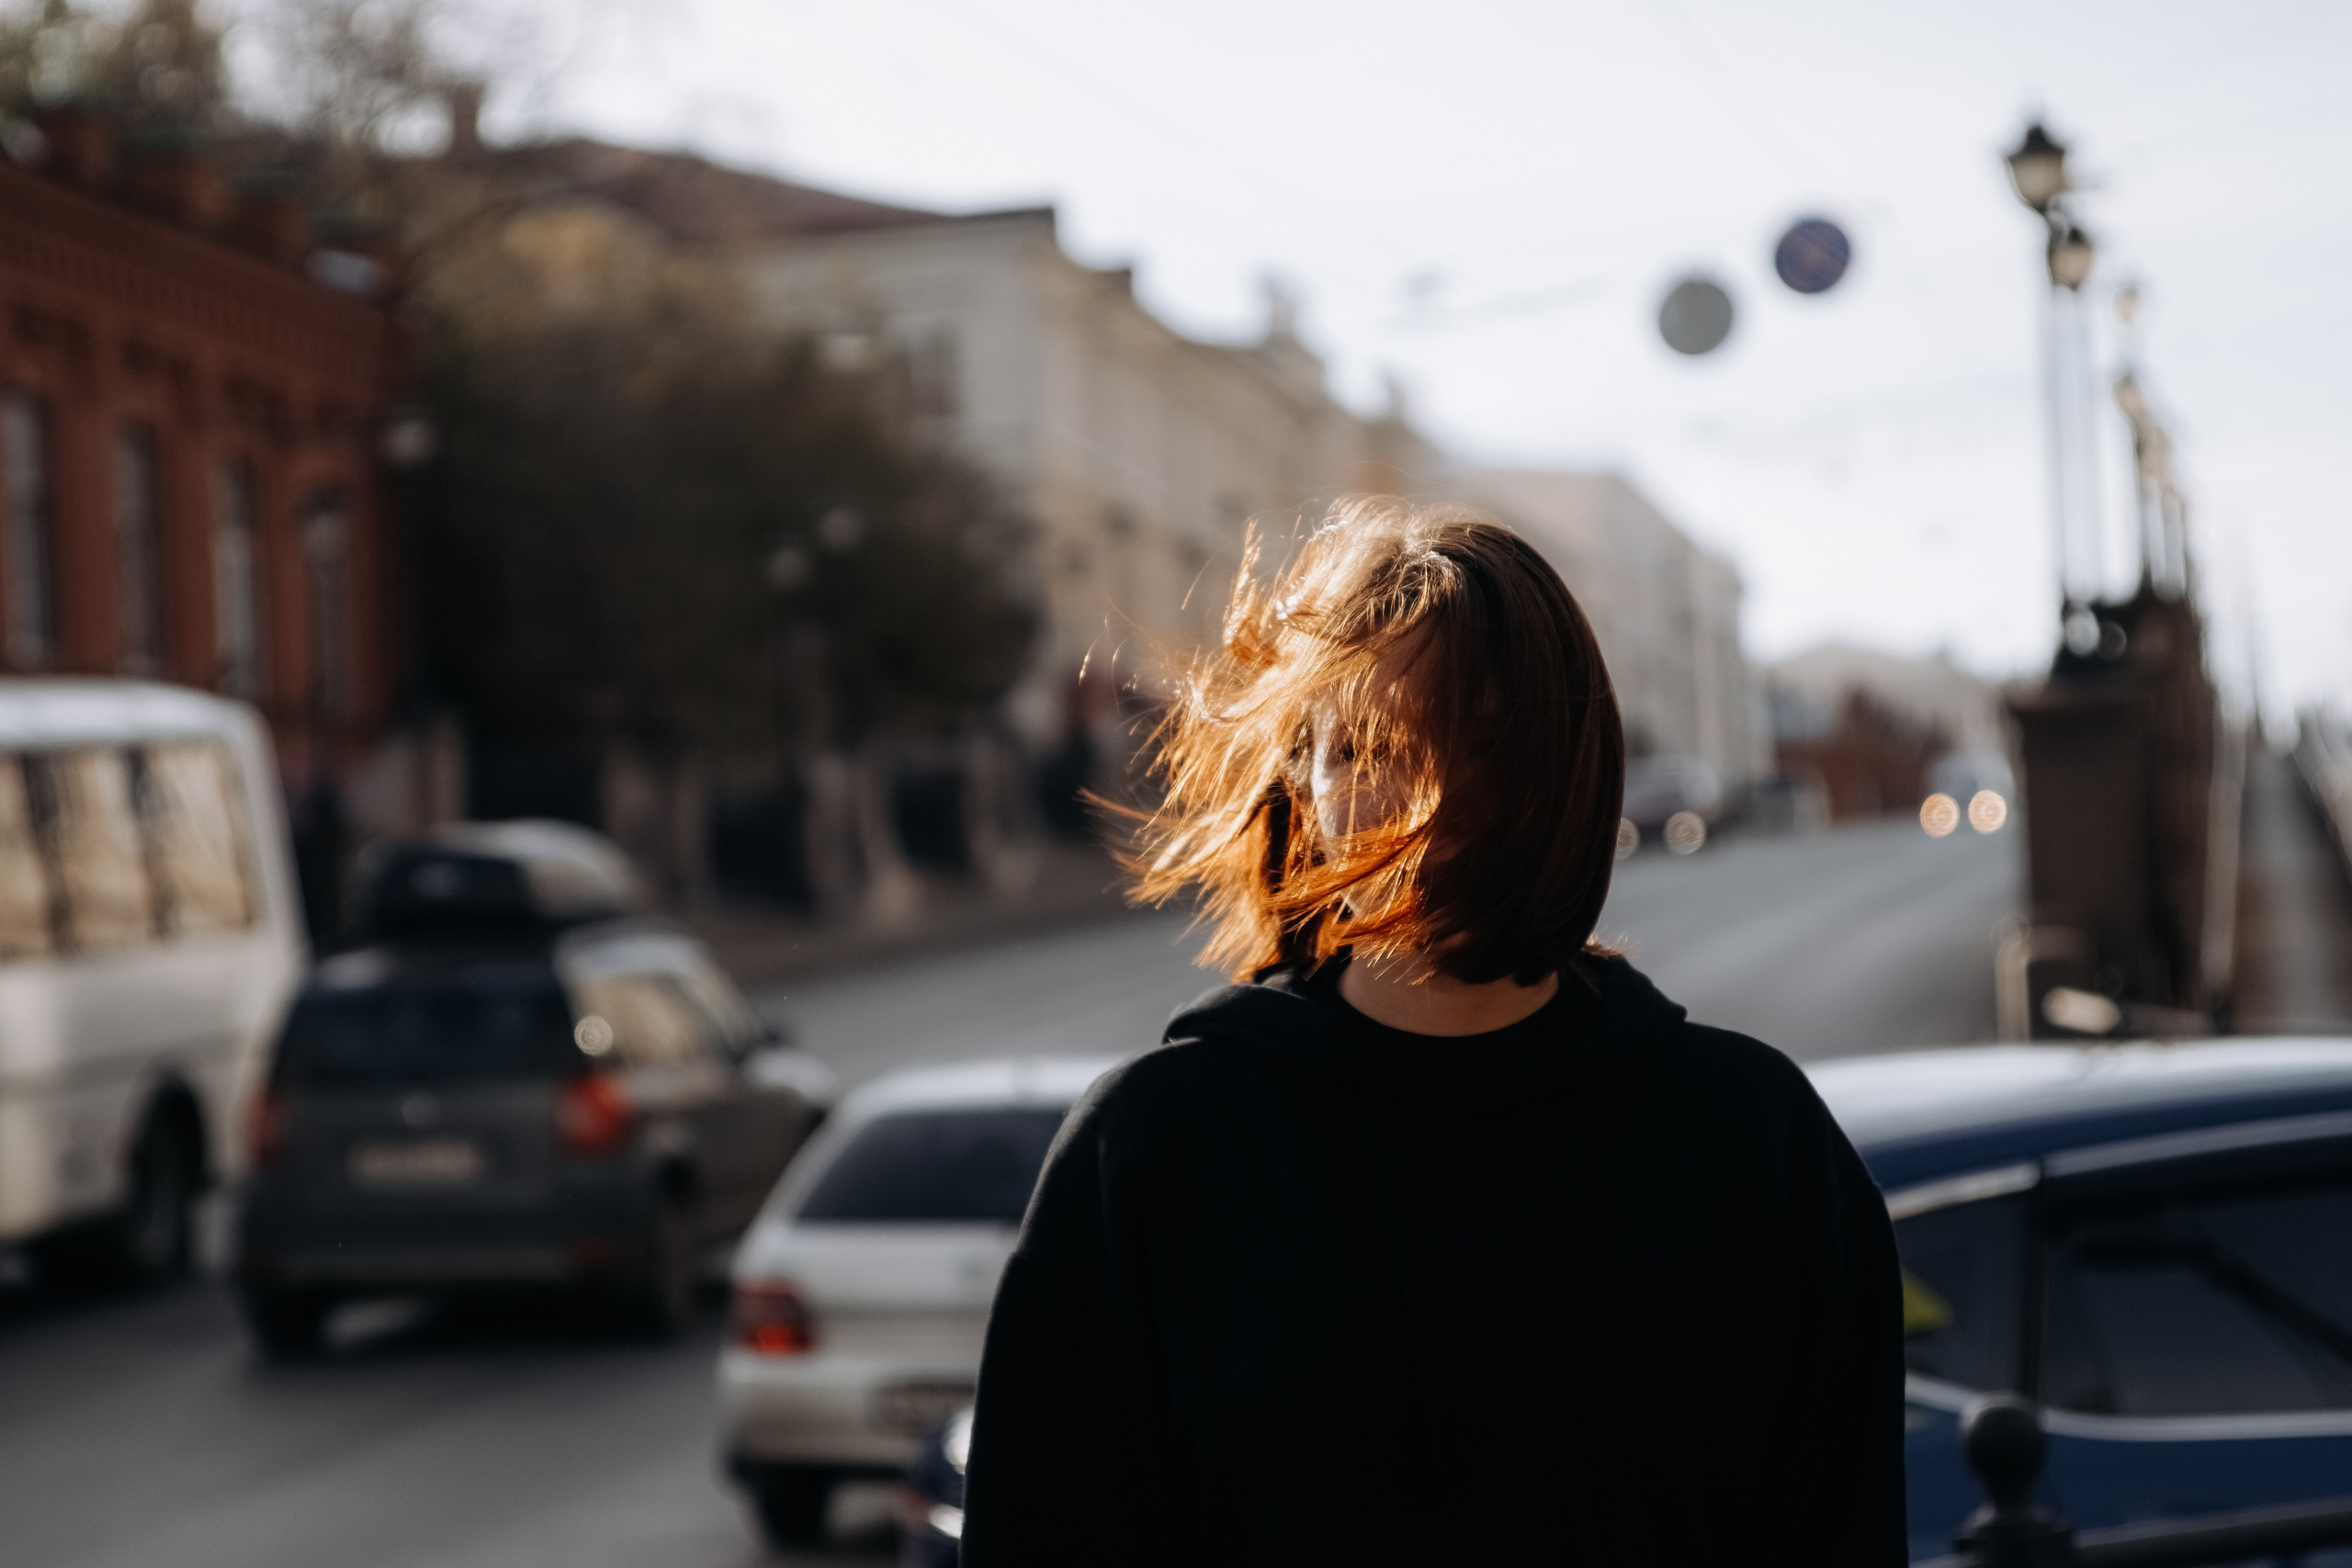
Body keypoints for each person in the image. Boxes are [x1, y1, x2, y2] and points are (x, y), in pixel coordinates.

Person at [960, 498, 1905, 1566]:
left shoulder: (1751, 1139)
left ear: (1571, 764)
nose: (1430, 804)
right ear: (1303, 785)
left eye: (1485, 745)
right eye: (1367, 747)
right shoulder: (1158, 1146)